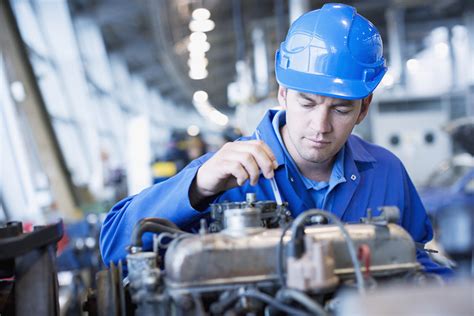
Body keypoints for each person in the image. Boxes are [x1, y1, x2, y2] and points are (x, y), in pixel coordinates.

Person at [100, 3, 450, 275]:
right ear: (282, 93)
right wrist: (198, 187)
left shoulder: (386, 172)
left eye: (341, 110)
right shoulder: (227, 174)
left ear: (364, 109)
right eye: (307, 103)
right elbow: (114, 245)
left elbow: (415, 259)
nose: (320, 125)